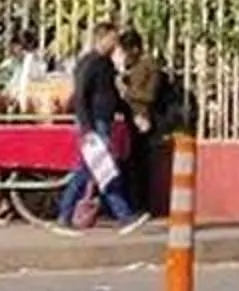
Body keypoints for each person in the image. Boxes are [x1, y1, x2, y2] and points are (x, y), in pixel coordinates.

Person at [55, 24, 145, 232]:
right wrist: (87, 128)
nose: (116, 44)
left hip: (105, 121)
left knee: (97, 169)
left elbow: (112, 95)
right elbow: (80, 97)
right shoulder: (89, 63)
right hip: (95, 123)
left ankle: (67, 215)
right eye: (113, 39)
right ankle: (123, 216)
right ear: (102, 39)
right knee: (96, 169)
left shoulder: (106, 64)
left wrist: (130, 115)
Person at [115, 27, 176, 219]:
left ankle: (143, 204)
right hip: (130, 119)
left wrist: (127, 91)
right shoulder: (133, 67)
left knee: (140, 165)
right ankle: (133, 203)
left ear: (134, 49)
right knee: (129, 163)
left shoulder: (150, 66)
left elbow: (149, 95)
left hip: (144, 119)